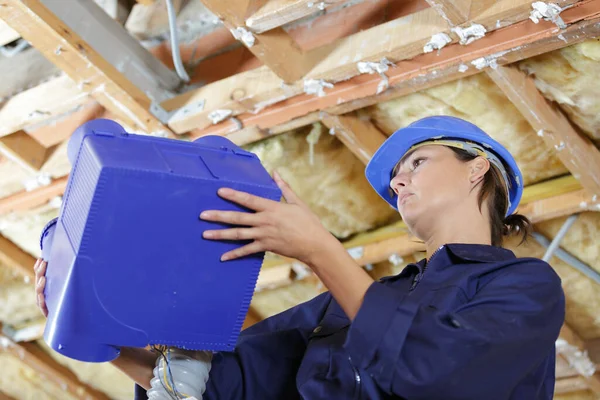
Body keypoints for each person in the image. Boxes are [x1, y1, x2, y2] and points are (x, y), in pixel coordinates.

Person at [34, 116, 565, 399]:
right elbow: (224, 386)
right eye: (397, 176)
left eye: (417, 162)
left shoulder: (524, 287)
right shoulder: (345, 306)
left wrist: (319, 249)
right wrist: (101, 332)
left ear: (479, 169)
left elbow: (438, 371)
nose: (398, 181)